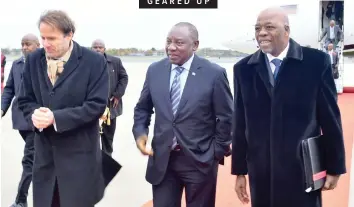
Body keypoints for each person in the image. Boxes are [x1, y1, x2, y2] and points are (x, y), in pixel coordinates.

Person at [232, 7, 346, 207]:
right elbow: (240, 124)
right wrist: (239, 171)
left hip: (302, 169)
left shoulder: (316, 62)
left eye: (269, 27)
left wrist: (334, 167)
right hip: (261, 172)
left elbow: (330, 118)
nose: (262, 33)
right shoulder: (243, 69)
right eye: (258, 28)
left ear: (287, 30)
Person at [132, 22, 233, 207]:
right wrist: (140, 134)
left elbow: (226, 117)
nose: (171, 47)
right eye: (168, 41)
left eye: (179, 43)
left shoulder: (214, 74)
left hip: (200, 161)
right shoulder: (155, 70)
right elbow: (142, 108)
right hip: (163, 160)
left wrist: (215, 152)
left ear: (195, 45)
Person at [17, 10, 109, 207]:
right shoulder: (33, 60)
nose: (46, 43)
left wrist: (56, 118)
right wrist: (34, 114)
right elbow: (24, 99)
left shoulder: (94, 61)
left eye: (52, 38)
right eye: (42, 38)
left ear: (69, 35)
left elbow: (96, 105)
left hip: (79, 158)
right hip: (45, 159)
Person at [1, 33, 40, 207]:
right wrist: (2, 108)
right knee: (37, 157)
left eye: (28, 44)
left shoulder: (45, 63)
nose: (24, 47)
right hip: (20, 120)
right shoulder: (16, 64)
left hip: (38, 119)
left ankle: (20, 200)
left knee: (29, 158)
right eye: (22, 44)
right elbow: (9, 89)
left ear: (37, 45)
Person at [91, 39, 128, 156]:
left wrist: (118, 94)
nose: (97, 49)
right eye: (95, 47)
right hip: (92, 108)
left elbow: (124, 78)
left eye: (100, 47)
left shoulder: (115, 62)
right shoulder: (85, 62)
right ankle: (93, 165)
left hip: (110, 107)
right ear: (91, 49)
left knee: (108, 138)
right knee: (92, 138)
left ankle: (107, 164)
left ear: (104, 49)